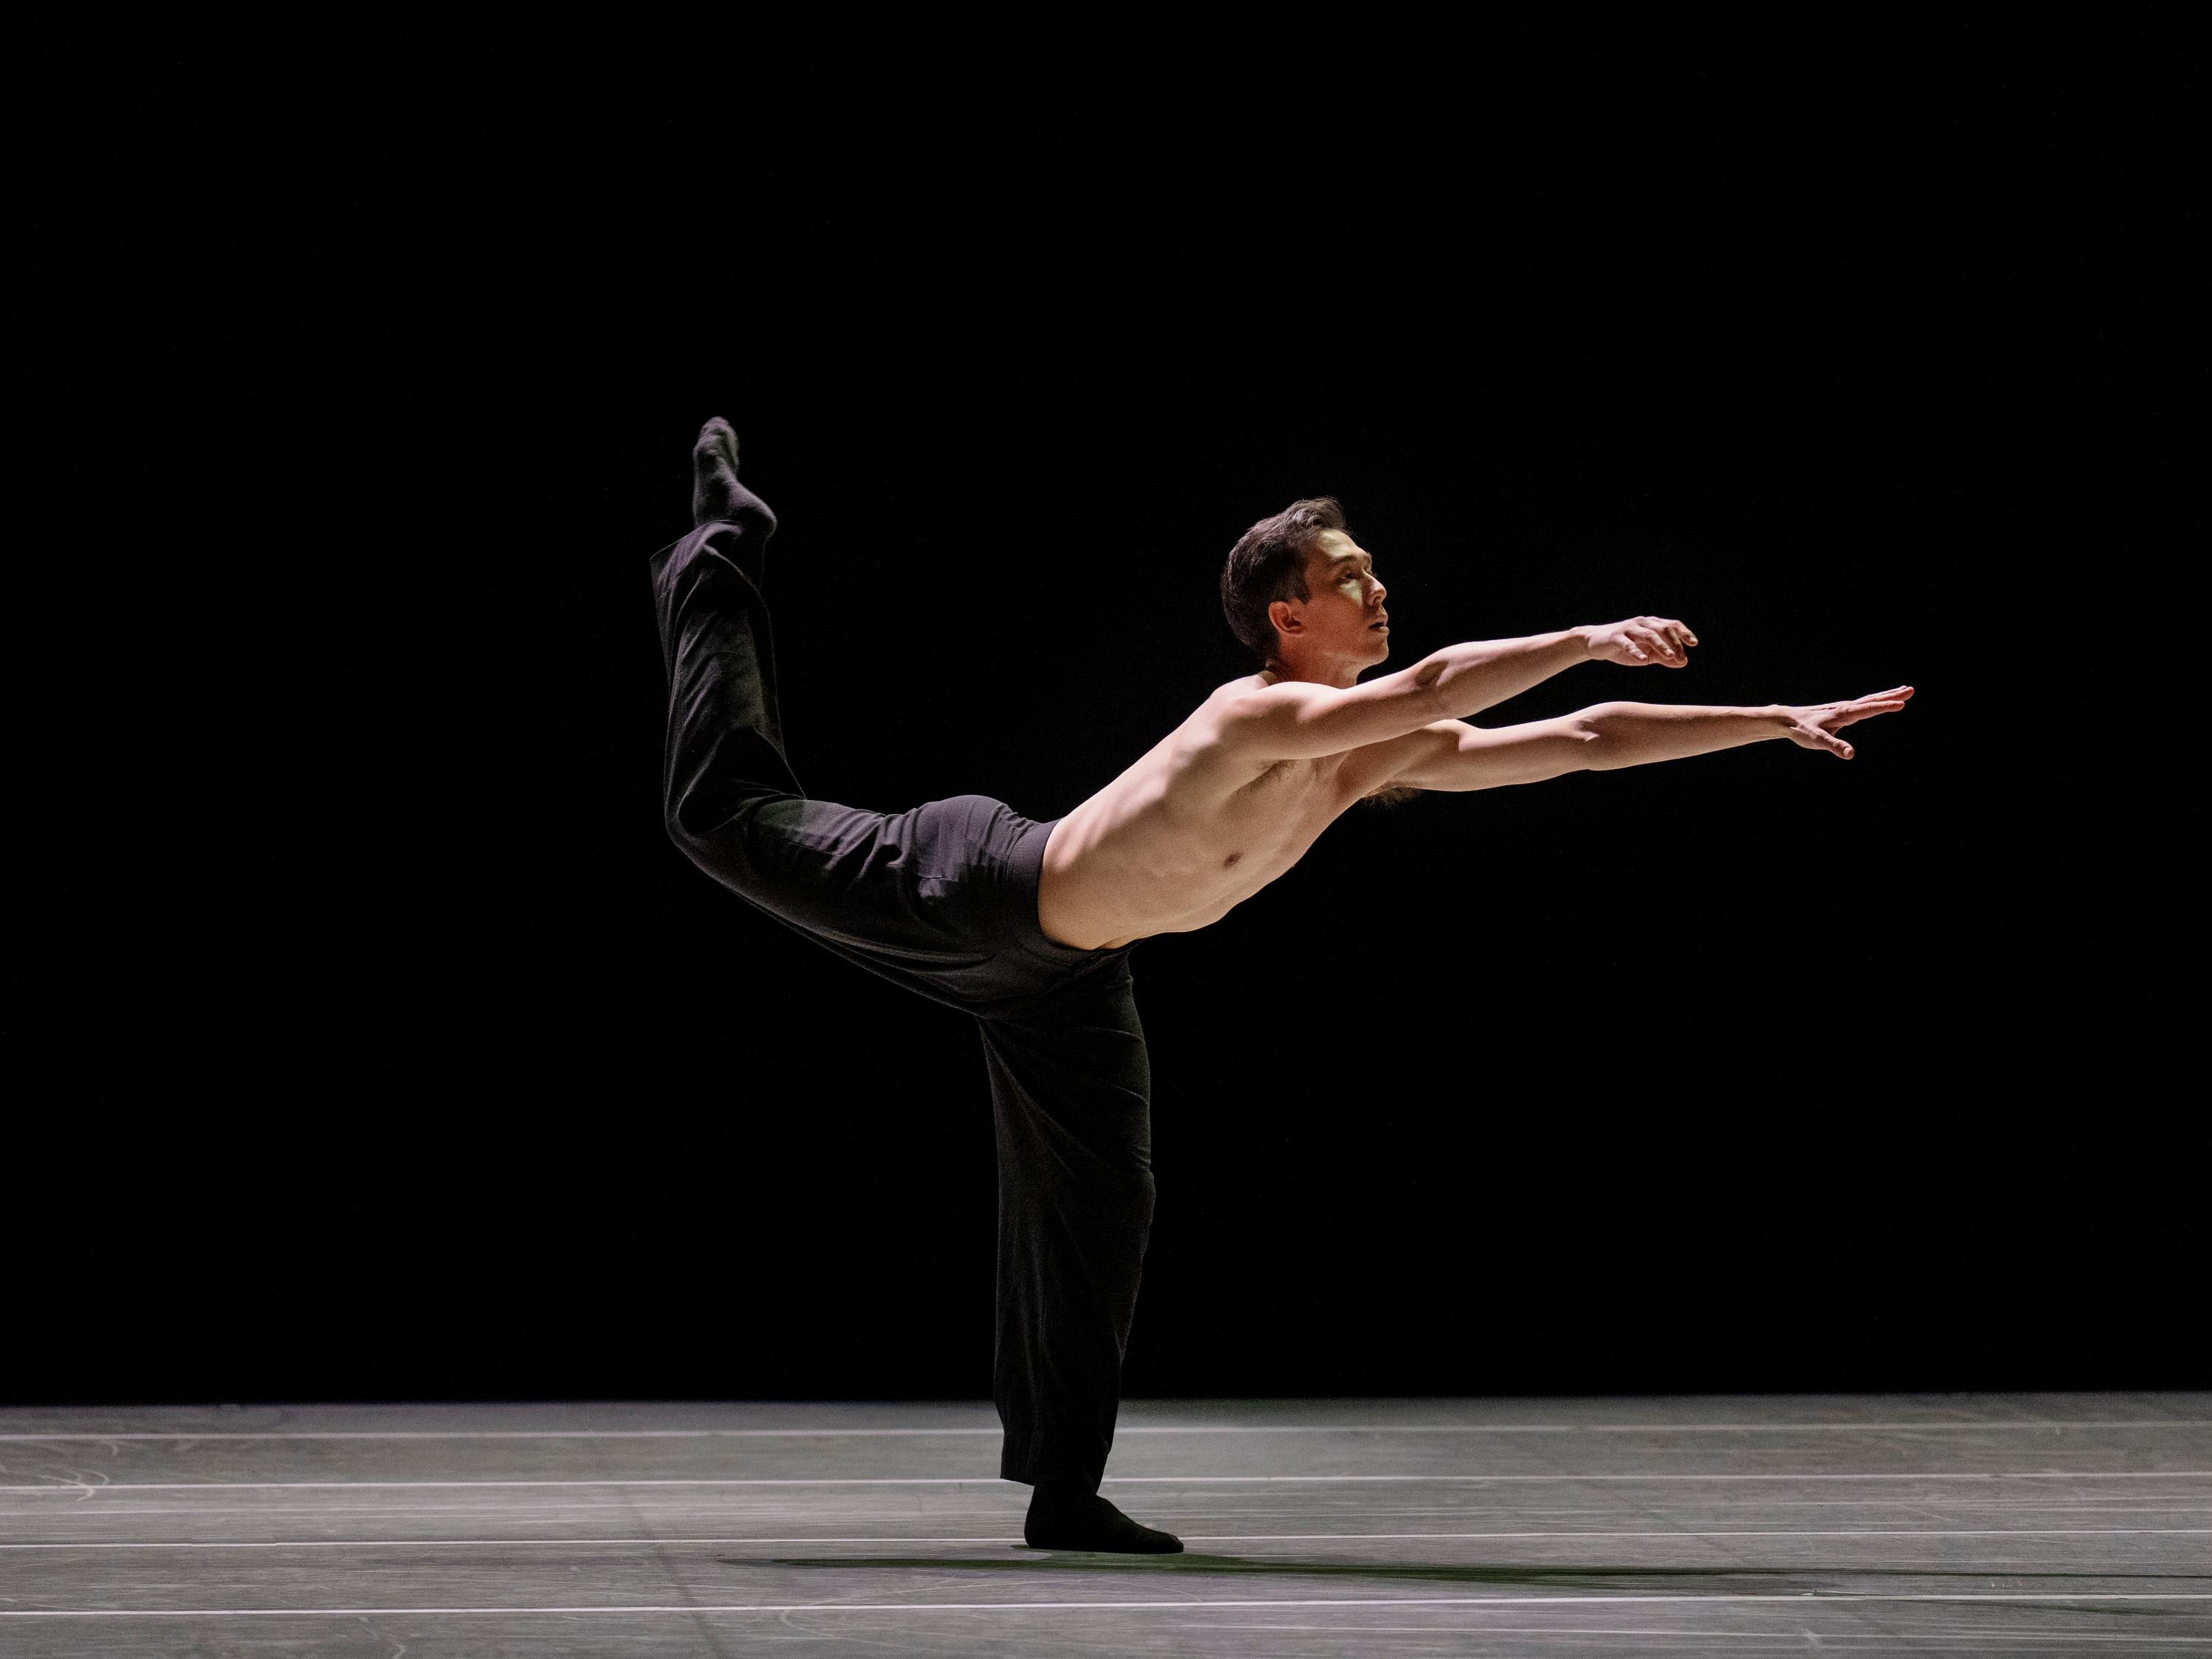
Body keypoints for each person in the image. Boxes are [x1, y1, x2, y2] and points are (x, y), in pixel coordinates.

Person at [650, 417, 1912, 1554]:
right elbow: (1436, 684)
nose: (1379, 587)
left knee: (1104, 1209)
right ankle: (723, 543)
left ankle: (1062, 1492)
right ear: (1286, 617)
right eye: (1349, 576)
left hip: (1068, 984)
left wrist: (1767, 717)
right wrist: (1588, 637)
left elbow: (1583, 741)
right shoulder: (1242, 719)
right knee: (718, 817)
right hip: (975, 886)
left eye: (1373, 570)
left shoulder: (1365, 760)